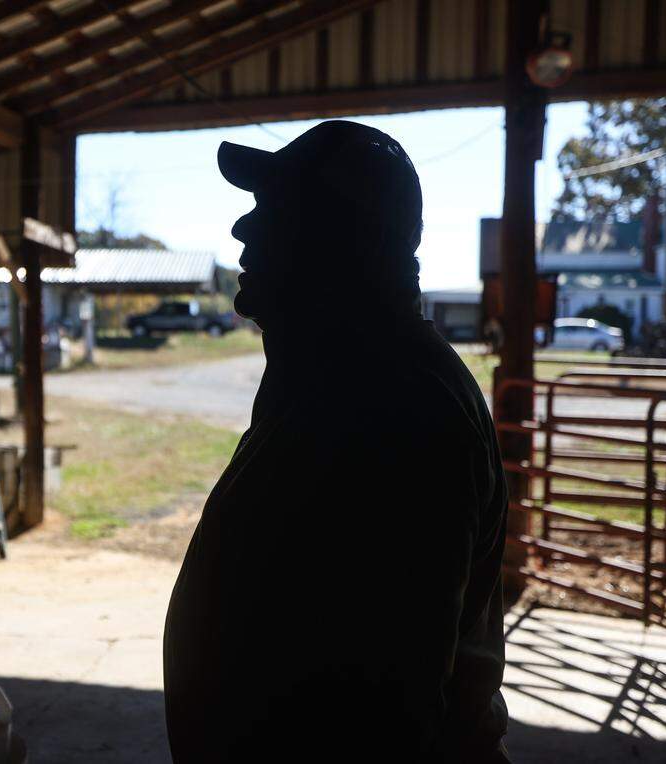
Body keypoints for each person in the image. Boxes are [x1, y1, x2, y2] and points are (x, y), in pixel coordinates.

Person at [163, 121, 510, 762]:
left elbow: (382, 716)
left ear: (343, 238)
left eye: (276, 208)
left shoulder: (399, 405)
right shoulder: (337, 373)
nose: (244, 229)